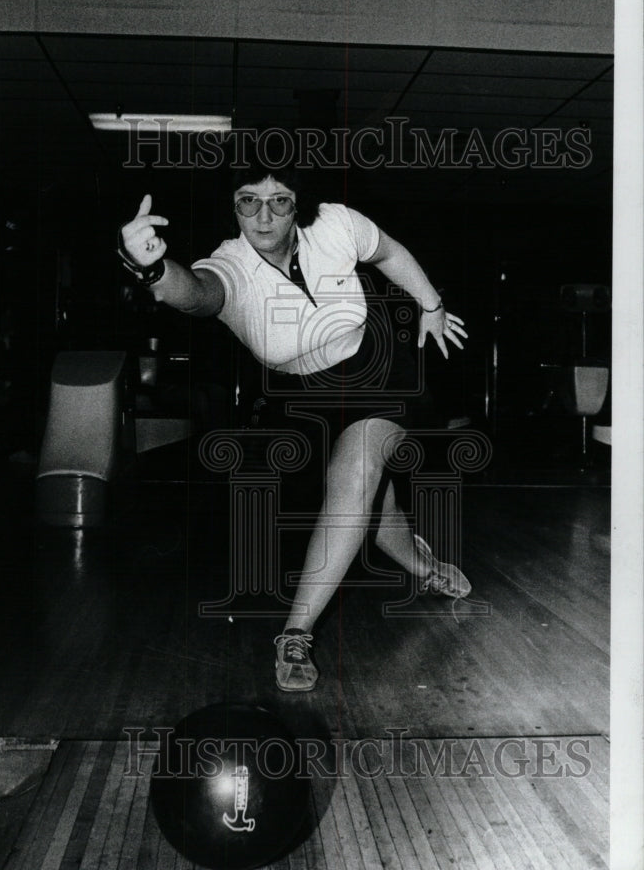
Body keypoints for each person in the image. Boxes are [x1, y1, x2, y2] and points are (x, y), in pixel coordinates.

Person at [118, 158, 469, 692]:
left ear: (297, 204)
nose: (263, 216)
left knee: (356, 476)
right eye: (247, 201)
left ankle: (294, 634)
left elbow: (391, 252)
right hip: (304, 398)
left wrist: (432, 305)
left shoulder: (336, 225)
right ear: (232, 206)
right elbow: (196, 293)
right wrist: (154, 271)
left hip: (379, 372)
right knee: (372, 504)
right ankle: (423, 564)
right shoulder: (230, 267)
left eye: (279, 200)